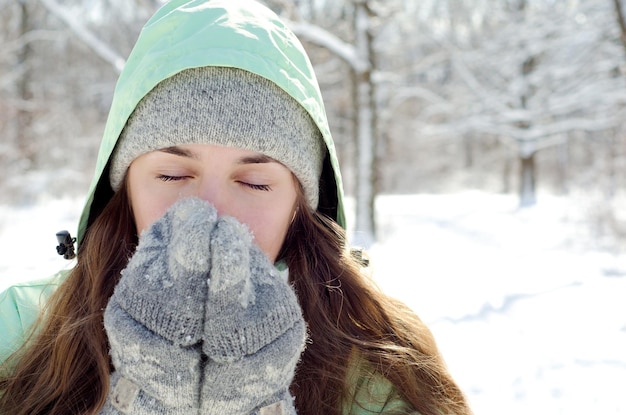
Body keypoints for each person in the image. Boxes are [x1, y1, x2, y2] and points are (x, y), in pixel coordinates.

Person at [0, 1, 472, 414]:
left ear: (300, 207)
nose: (211, 211)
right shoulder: (22, 331)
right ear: (123, 190)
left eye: (253, 181)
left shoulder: (384, 363)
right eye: (172, 175)